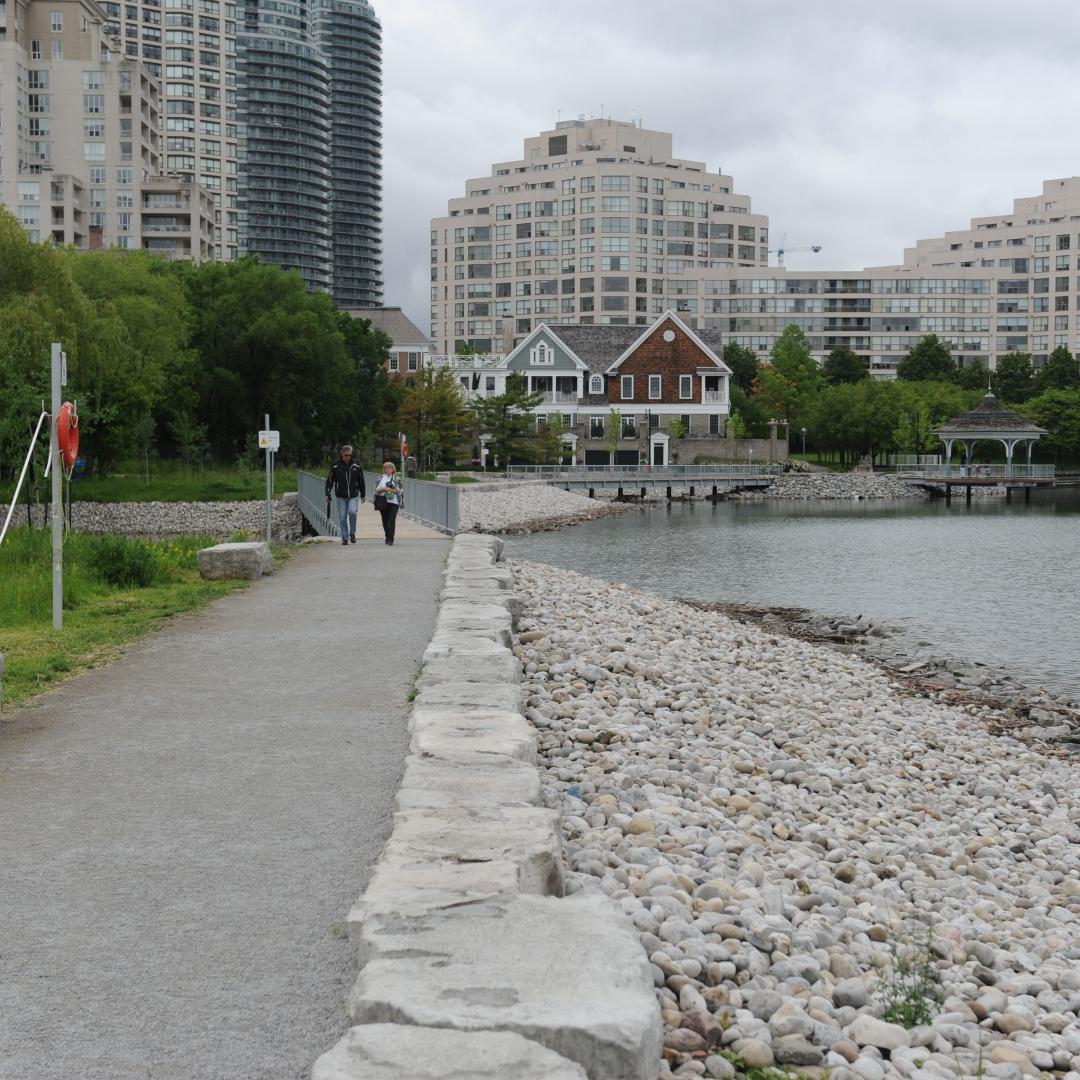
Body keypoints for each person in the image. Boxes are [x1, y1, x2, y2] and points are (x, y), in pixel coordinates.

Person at [325, 445, 365, 545]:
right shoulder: (335, 465)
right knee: (342, 516)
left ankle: (352, 533)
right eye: (346, 455)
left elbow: (361, 480)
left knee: (352, 512)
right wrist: (327, 493)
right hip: (340, 496)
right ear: (342, 454)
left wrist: (363, 494)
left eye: (350, 455)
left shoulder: (356, 465)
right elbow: (330, 480)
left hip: (353, 495)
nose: (348, 457)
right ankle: (344, 537)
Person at [373, 461, 403, 545]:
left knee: (391, 520)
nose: (388, 469)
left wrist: (392, 490)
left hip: (394, 502)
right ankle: (387, 536)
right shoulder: (381, 478)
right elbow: (376, 490)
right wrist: (384, 489)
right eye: (386, 468)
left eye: (390, 467)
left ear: (393, 469)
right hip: (383, 501)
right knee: (385, 520)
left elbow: (400, 490)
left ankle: (391, 539)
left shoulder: (397, 478)